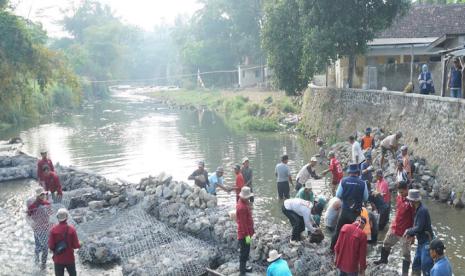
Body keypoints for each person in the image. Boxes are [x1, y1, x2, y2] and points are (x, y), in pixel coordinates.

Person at [374, 181, 414, 275]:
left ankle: (405, 273)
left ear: (407, 189)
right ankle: (383, 261)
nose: (400, 194)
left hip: (406, 232)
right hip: (395, 227)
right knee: (386, 244)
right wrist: (392, 224)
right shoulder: (399, 197)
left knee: (406, 254)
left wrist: (413, 235)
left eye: (402, 192)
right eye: (399, 192)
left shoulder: (411, 202)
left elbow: (414, 218)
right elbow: (397, 211)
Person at [330, 164, 369, 251]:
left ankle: (332, 249)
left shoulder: (343, 181)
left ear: (349, 172)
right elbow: (366, 197)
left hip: (344, 211)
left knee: (338, 231)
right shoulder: (363, 183)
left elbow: (338, 195)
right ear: (358, 173)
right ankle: (351, 252)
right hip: (356, 213)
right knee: (354, 234)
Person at [404, 189, 434, 276]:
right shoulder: (417, 209)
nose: (409, 202)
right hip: (421, 242)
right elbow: (417, 226)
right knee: (416, 265)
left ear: (413, 201)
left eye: (410, 200)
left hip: (427, 242)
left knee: (426, 265)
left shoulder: (422, 211)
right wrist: (412, 234)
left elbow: (419, 227)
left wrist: (408, 231)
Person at [48, 208, 81, 276]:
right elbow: (76, 245)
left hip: (58, 259)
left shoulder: (53, 230)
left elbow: (51, 246)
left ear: (57, 217)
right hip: (69, 258)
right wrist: (80, 244)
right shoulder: (72, 229)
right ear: (67, 217)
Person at [27, 187, 52, 270]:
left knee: (43, 247)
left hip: (44, 228)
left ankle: (41, 263)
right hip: (38, 229)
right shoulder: (33, 206)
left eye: (44, 194)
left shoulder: (46, 203)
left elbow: (50, 214)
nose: (43, 196)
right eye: (41, 195)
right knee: (40, 246)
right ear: (38, 196)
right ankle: (38, 262)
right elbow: (29, 216)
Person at [236, 187, 254, 275]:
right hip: (244, 235)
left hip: (246, 233)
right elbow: (243, 225)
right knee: (244, 252)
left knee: (246, 251)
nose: (248, 199)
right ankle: (242, 272)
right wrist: (248, 236)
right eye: (247, 197)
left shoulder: (243, 202)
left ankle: (243, 268)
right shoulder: (241, 207)